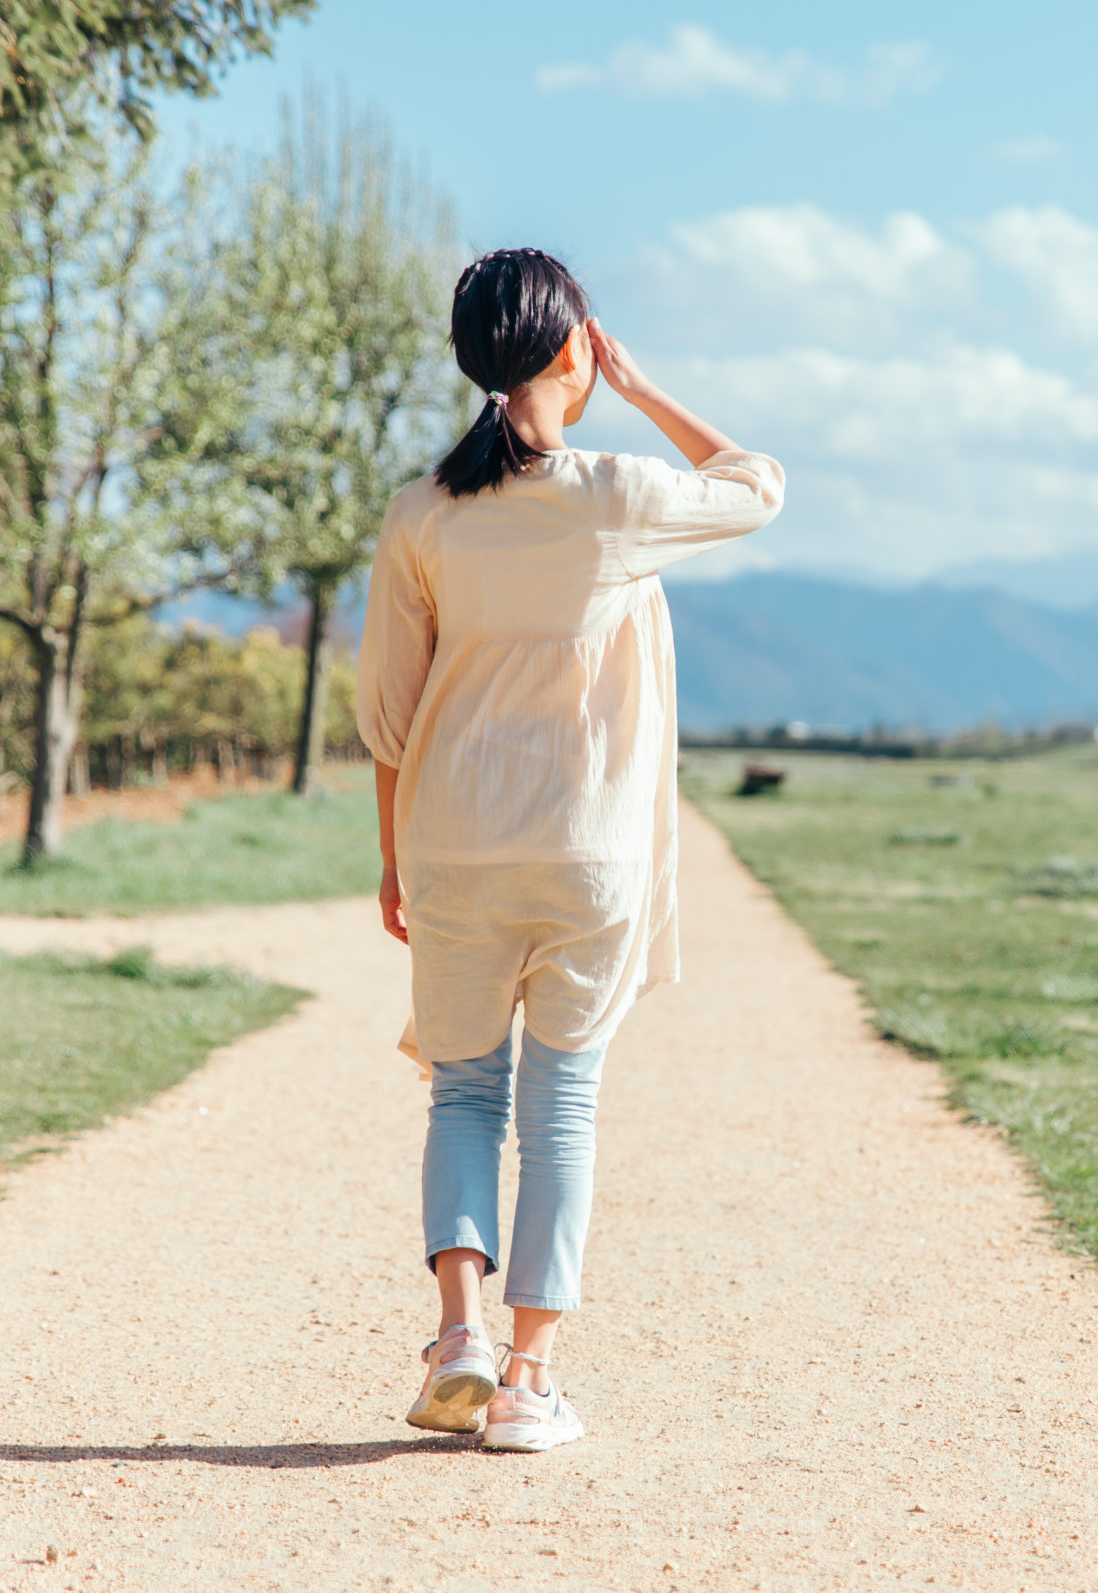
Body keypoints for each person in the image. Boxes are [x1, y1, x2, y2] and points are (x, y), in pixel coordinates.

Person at [356, 248, 784, 1452]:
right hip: (586, 853)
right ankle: (527, 1383)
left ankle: (458, 1336)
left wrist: (394, 860)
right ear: (571, 352)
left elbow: (389, 712)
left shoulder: (423, 514)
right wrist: (640, 387)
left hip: (451, 842)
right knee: (562, 1109)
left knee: (462, 1091)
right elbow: (756, 484)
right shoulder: (619, 496)